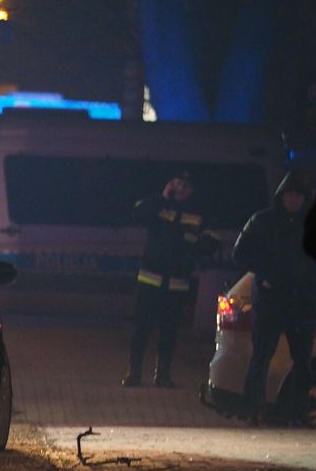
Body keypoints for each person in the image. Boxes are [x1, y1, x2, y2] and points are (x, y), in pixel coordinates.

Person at [122, 170, 220, 387]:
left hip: (178, 283)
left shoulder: (200, 212)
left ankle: (163, 374)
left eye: (186, 186)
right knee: (141, 328)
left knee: (170, 331)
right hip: (150, 279)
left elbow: (212, 240)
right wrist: (162, 197)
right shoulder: (159, 205)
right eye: (178, 183)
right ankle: (133, 373)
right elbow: (138, 214)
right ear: (171, 184)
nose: (181, 189)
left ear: (192, 190)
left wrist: (193, 247)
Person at [233, 171, 316, 425]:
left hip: (301, 302)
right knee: (262, 356)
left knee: (302, 361)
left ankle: (295, 411)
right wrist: (265, 274)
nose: (293, 200)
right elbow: (240, 254)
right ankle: (253, 410)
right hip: (270, 301)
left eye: (298, 196)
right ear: (281, 196)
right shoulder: (262, 221)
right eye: (289, 195)